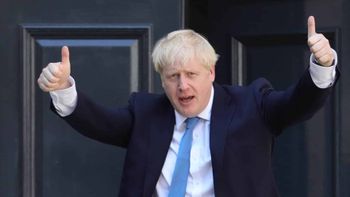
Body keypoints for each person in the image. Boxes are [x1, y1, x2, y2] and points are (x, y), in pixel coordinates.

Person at [37, 16, 339, 196]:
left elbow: (297, 104)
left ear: (211, 73)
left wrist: (321, 64)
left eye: (192, 74)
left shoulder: (252, 104)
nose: (183, 86)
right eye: (173, 77)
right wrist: (63, 87)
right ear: (162, 79)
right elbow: (99, 121)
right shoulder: (145, 113)